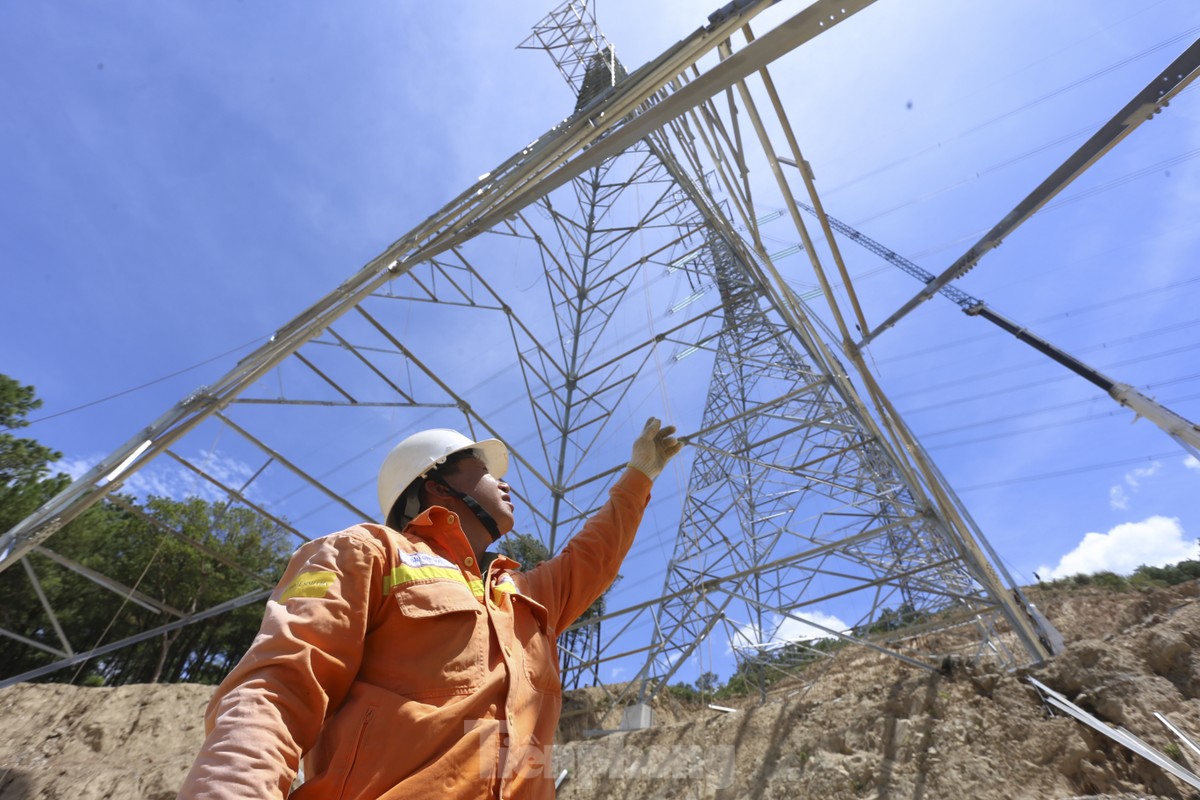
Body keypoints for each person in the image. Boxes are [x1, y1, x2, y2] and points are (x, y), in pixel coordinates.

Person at [179, 417, 681, 799]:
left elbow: (594, 555)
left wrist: (639, 475)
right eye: (483, 472)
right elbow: (279, 687)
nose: (505, 484)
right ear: (437, 485)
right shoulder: (367, 551)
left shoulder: (522, 592)